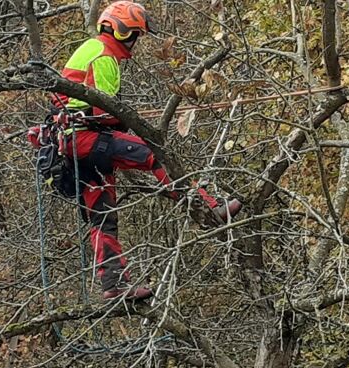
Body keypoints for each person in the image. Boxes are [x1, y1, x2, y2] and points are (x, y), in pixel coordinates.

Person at [44, 0, 242, 301]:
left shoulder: (92, 49)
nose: (135, 42)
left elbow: (92, 106)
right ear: (122, 32)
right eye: (135, 34)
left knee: (103, 216)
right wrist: (126, 119)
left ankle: (114, 285)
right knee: (155, 153)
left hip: (75, 142)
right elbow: (103, 109)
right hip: (86, 138)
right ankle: (209, 208)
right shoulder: (103, 54)